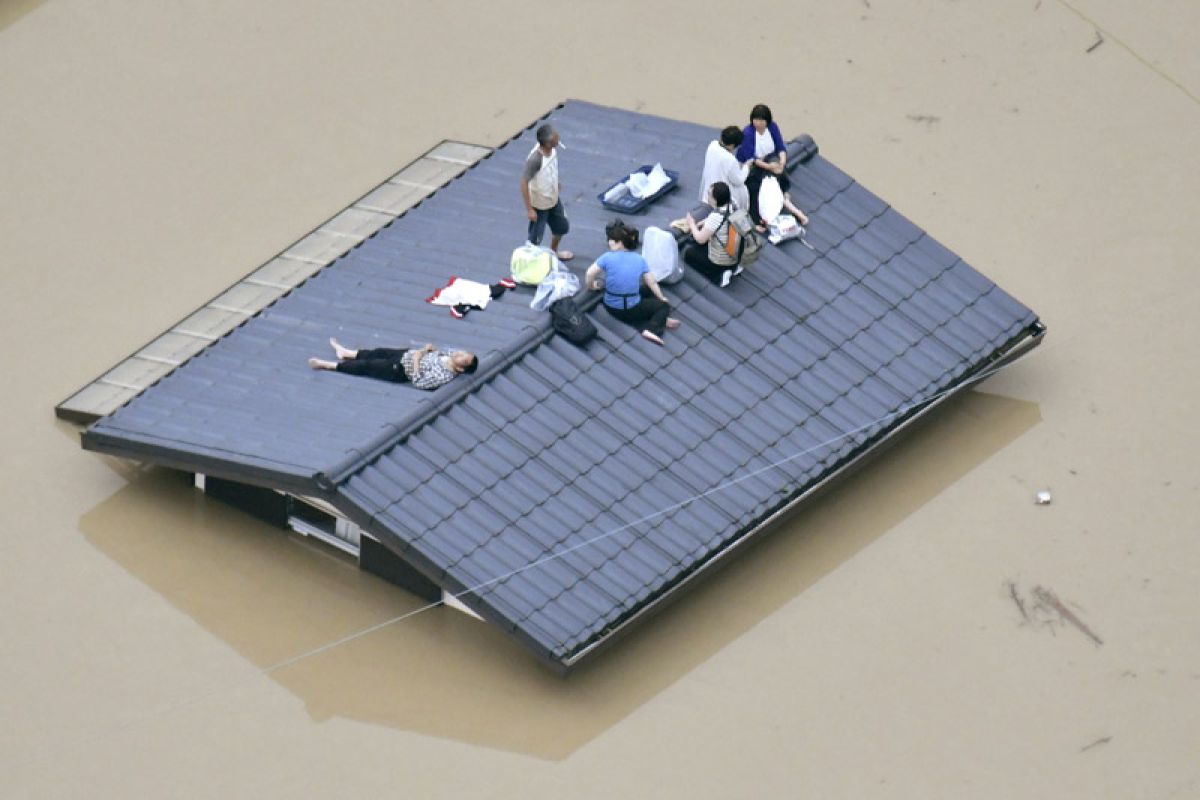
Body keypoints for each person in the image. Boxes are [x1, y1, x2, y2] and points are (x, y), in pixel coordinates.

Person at [585, 220, 681, 346]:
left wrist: (591, 286)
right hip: (631, 308)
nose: (610, 242)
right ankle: (653, 329)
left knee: (646, 290)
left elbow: (589, 273)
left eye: (613, 240)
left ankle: (659, 319)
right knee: (662, 306)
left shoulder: (607, 257)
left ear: (620, 243)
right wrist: (662, 298)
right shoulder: (639, 260)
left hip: (611, 305)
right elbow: (651, 282)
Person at [735, 103, 810, 228]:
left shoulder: (772, 127)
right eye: (756, 119)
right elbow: (751, 158)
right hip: (752, 166)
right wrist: (771, 167)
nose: (758, 123)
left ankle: (790, 205)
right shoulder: (748, 133)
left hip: (769, 161)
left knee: (776, 178)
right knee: (757, 188)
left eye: (761, 120)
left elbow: (780, 147)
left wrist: (782, 163)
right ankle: (760, 217)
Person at [308, 339, 477, 390]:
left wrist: (418, 358)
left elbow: (419, 382)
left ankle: (328, 365)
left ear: (461, 368)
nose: (459, 354)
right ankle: (346, 353)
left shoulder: (444, 375)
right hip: (406, 354)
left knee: (368, 366)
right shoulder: (449, 354)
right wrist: (428, 349)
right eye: (463, 352)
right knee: (378, 351)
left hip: (401, 370)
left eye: (463, 358)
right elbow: (437, 350)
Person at [520, 123, 573, 261]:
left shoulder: (553, 150)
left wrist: (555, 183)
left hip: (553, 199)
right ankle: (529, 264)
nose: (558, 137)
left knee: (562, 227)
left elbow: (550, 170)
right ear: (549, 143)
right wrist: (530, 209)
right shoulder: (535, 159)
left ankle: (554, 251)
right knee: (535, 239)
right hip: (539, 205)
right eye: (555, 136)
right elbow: (524, 183)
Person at [682, 181, 741, 288]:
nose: (707, 197)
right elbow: (720, 220)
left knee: (689, 253)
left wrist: (691, 224)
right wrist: (703, 223)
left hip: (720, 260)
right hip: (735, 251)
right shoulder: (733, 204)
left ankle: (719, 274)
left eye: (709, 194)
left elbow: (700, 239)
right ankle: (733, 267)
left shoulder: (716, 217)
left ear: (715, 199)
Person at [699, 125, 750, 211]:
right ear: (732, 145)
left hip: (708, 191)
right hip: (720, 195)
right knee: (743, 190)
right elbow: (738, 180)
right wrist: (747, 167)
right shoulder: (730, 159)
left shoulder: (712, 145)